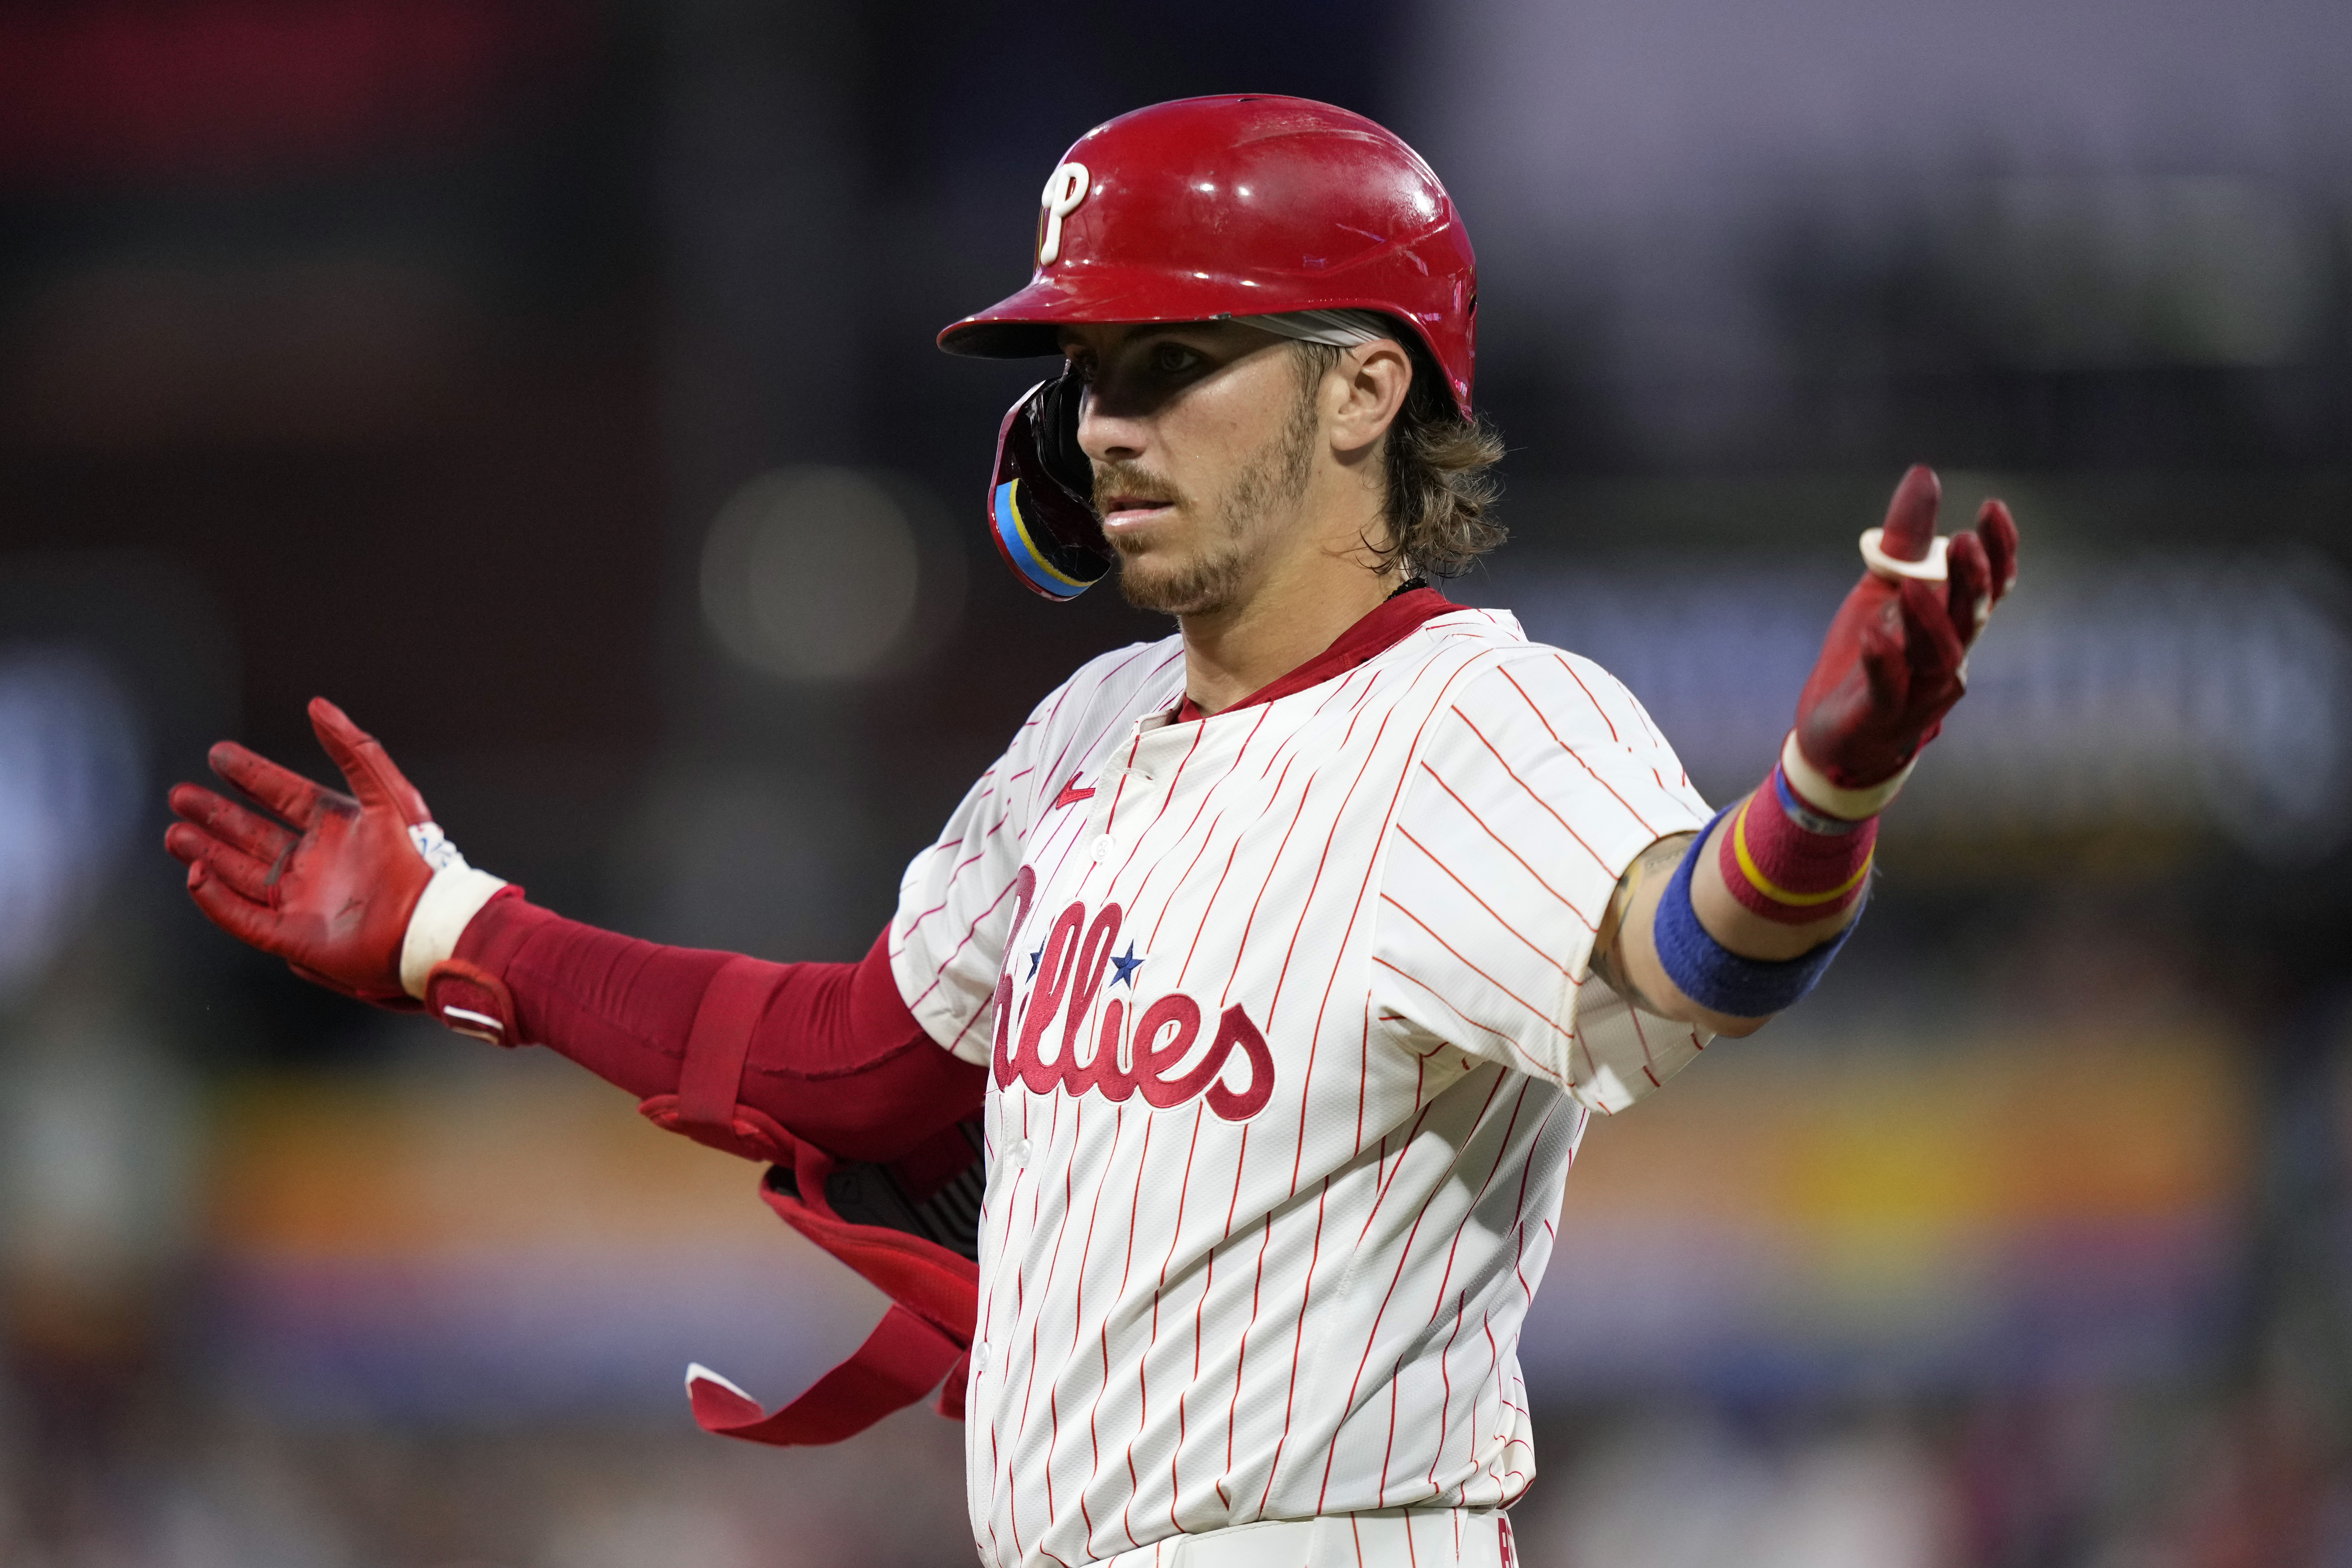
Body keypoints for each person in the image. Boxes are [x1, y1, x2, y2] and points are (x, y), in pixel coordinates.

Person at [165, 95, 2018, 1568]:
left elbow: (1686, 949)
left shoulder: (1478, 716)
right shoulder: (1092, 728)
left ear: (1367, 386)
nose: (1103, 426)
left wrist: (1825, 792)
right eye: (1086, 376)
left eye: (1169, 365)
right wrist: (454, 931)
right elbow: (861, 1065)